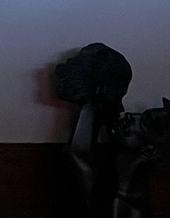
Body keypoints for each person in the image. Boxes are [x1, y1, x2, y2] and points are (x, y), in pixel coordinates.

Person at [54, 43, 133, 216]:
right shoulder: (82, 161)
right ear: (101, 91)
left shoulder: (90, 154)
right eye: (119, 95)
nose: (121, 107)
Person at [110, 98, 170, 218]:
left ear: (151, 149)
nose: (129, 115)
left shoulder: (129, 208)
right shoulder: (108, 183)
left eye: (145, 123)